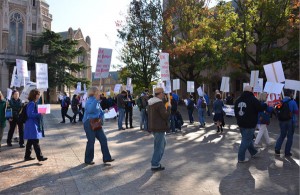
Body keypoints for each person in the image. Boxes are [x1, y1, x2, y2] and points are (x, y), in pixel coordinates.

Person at [83, 86, 114, 165]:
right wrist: (96, 101)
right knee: (91, 141)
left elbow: (98, 112)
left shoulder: (97, 101)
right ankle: (88, 159)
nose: (100, 92)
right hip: (89, 122)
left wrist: (104, 111)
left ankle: (107, 158)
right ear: (94, 92)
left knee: (103, 139)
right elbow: (90, 110)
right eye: (98, 91)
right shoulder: (90, 100)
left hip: (96, 122)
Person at [234, 85, 265, 163]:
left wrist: (239, 119)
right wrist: (266, 104)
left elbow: (235, 111)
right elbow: (260, 108)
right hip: (249, 123)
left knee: (248, 139)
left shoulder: (238, 100)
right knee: (246, 140)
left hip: (241, 123)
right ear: (250, 91)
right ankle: (241, 158)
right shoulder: (252, 99)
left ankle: (253, 152)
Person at [147, 87, 170, 171]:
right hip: (159, 127)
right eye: (163, 93)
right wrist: (169, 108)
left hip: (154, 126)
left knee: (162, 144)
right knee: (159, 146)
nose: (164, 94)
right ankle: (155, 164)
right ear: (159, 94)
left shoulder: (151, 102)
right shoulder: (159, 103)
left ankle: (155, 162)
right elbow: (165, 116)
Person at [24, 89, 47, 161]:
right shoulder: (32, 103)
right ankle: (40, 157)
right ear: (35, 95)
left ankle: (27, 156)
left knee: (30, 141)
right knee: (35, 141)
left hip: (32, 124)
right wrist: (40, 114)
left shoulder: (33, 103)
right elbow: (30, 114)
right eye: (38, 94)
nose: (39, 96)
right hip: (32, 124)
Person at [275, 89, 299, 156]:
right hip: (290, 121)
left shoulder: (281, 101)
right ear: (291, 94)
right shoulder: (292, 102)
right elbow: (297, 111)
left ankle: (277, 149)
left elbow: (276, 108)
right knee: (290, 136)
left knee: (282, 135)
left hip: (281, 120)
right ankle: (287, 152)